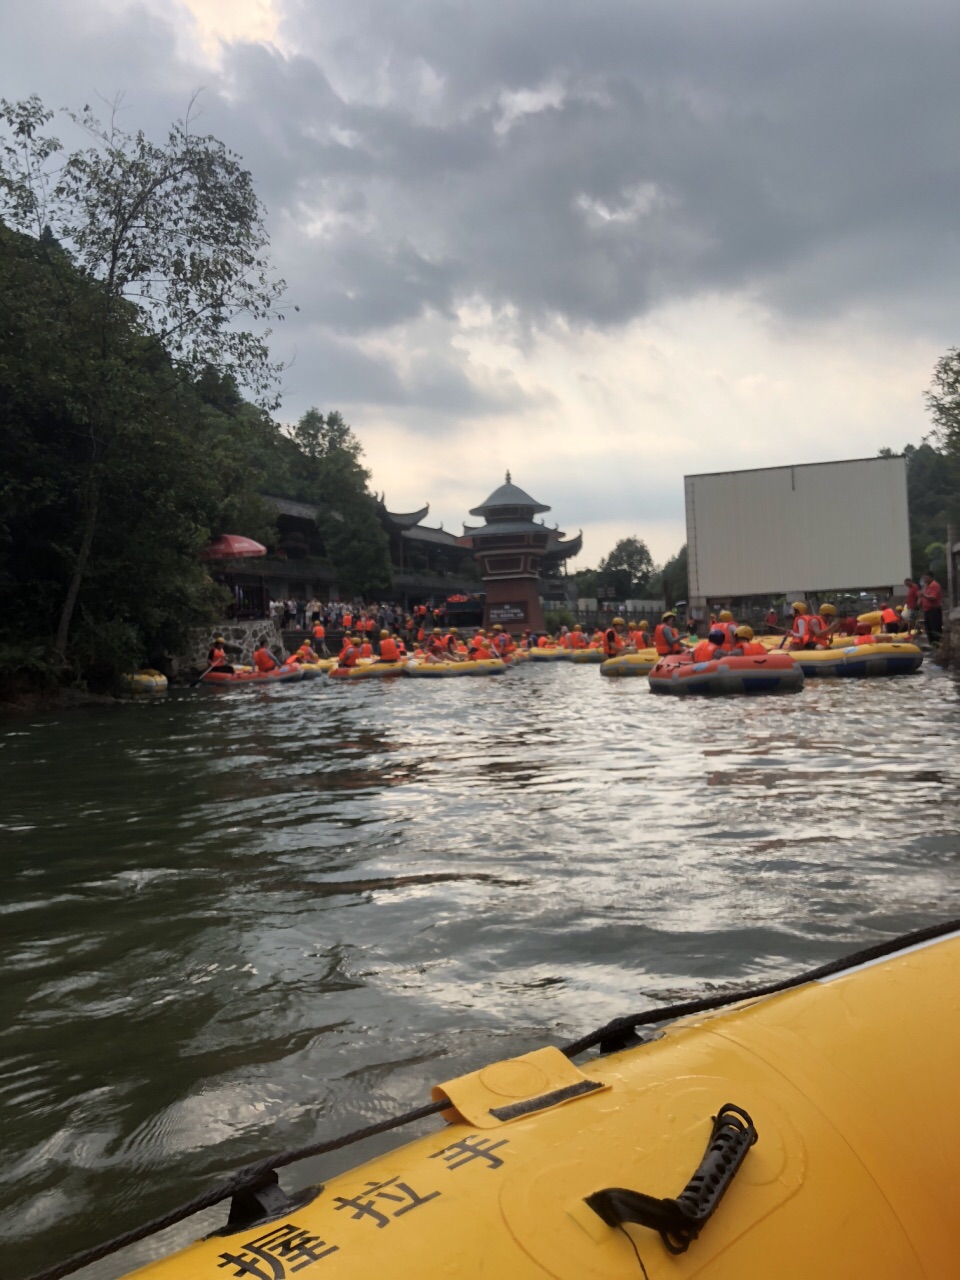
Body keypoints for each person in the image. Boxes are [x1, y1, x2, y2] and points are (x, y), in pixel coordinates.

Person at [919, 573, 943, 643]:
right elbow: (922, 595)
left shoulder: (935, 585)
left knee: (935, 629)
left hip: (934, 610)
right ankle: (931, 644)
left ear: (931, 577)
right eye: (924, 578)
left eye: (926, 578)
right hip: (927, 610)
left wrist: (923, 595)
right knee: (928, 629)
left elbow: (933, 598)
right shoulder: (926, 586)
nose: (925, 580)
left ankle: (937, 644)